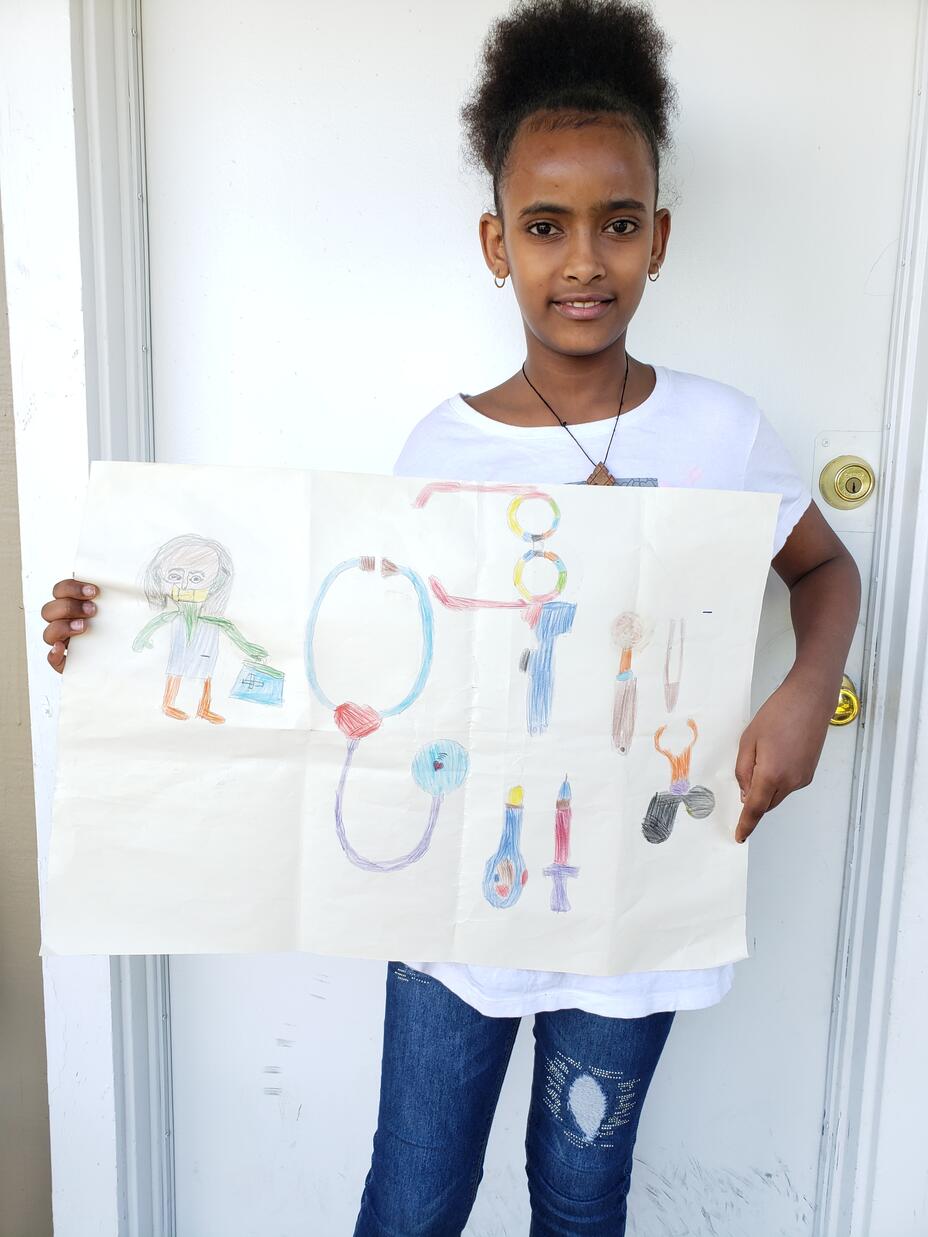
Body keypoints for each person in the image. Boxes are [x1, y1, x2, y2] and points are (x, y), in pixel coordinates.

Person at [41, 1, 860, 1231]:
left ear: (659, 237)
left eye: (616, 225)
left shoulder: (721, 432)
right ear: (496, 243)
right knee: (414, 1191)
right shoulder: (442, 445)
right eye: (545, 227)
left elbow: (824, 571)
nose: (582, 260)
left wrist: (805, 689)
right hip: (452, 918)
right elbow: (354, 633)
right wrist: (128, 608)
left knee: (583, 1197)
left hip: (631, 915)